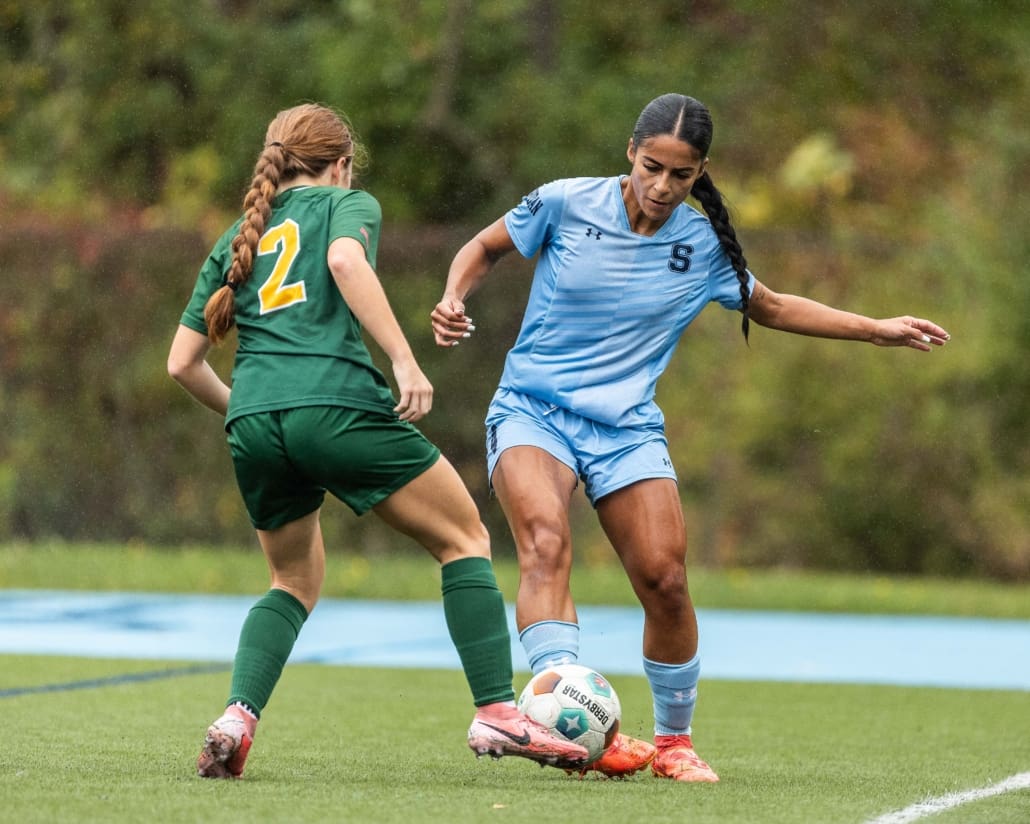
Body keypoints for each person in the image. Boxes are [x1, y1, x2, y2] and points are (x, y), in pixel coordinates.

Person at [430, 93, 950, 783]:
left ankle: (674, 744)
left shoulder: (702, 245)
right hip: (534, 410)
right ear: (630, 152)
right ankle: (567, 718)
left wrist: (876, 327)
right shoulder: (564, 202)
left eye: (681, 174)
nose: (662, 186)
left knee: (667, 580)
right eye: (652, 167)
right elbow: (484, 246)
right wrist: (453, 296)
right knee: (546, 543)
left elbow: (770, 306)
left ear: (700, 170)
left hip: (626, 428)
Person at [167, 103, 590, 779]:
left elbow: (182, 364)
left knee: (292, 580)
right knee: (464, 539)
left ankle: (236, 718)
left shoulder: (236, 237)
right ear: (340, 165)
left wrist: (244, 412)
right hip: (335, 404)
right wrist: (403, 359)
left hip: (254, 422)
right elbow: (343, 261)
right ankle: (496, 711)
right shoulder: (348, 204)